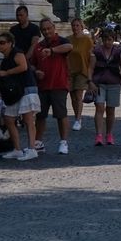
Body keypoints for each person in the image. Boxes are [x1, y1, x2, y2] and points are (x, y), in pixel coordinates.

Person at [0, 31, 40, 161]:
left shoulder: (17, 53)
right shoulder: (5, 60)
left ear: (10, 43)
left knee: (28, 118)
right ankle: (17, 149)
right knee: (8, 118)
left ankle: (32, 149)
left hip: (26, 88)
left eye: (2, 43)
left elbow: (24, 66)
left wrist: (7, 73)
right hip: (14, 92)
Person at [30, 17, 73, 154]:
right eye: (44, 30)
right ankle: (38, 141)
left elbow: (69, 47)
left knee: (61, 114)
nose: (47, 31)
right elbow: (31, 64)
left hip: (59, 84)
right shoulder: (39, 46)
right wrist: (36, 71)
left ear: (54, 28)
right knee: (40, 115)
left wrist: (52, 50)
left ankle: (64, 142)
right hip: (42, 86)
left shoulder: (61, 41)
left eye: (49, 28)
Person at [89, 25, 121, 146]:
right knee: (99, 107)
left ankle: (109, 134)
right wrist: (90, 81)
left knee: (110, 110)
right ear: (102, 40)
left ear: (113, 39)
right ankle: (99, 135)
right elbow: (91, 67)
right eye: (105, 39)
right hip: (99, 83)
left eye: (109, 39)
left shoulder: (118, 51)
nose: (107, 42)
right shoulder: (97, 51)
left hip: (114, 82)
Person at [66, 17, 93, 130]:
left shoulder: (87, 40)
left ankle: (78, 119)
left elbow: (90, 57)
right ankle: (77, 117)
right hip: (70, 70)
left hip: (82, 70)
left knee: (78, 96)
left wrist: (90, 73)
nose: (75, 27)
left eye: (77, 25)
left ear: (82, 27)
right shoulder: (68, 39)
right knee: (72, 97)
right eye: (73, 25)